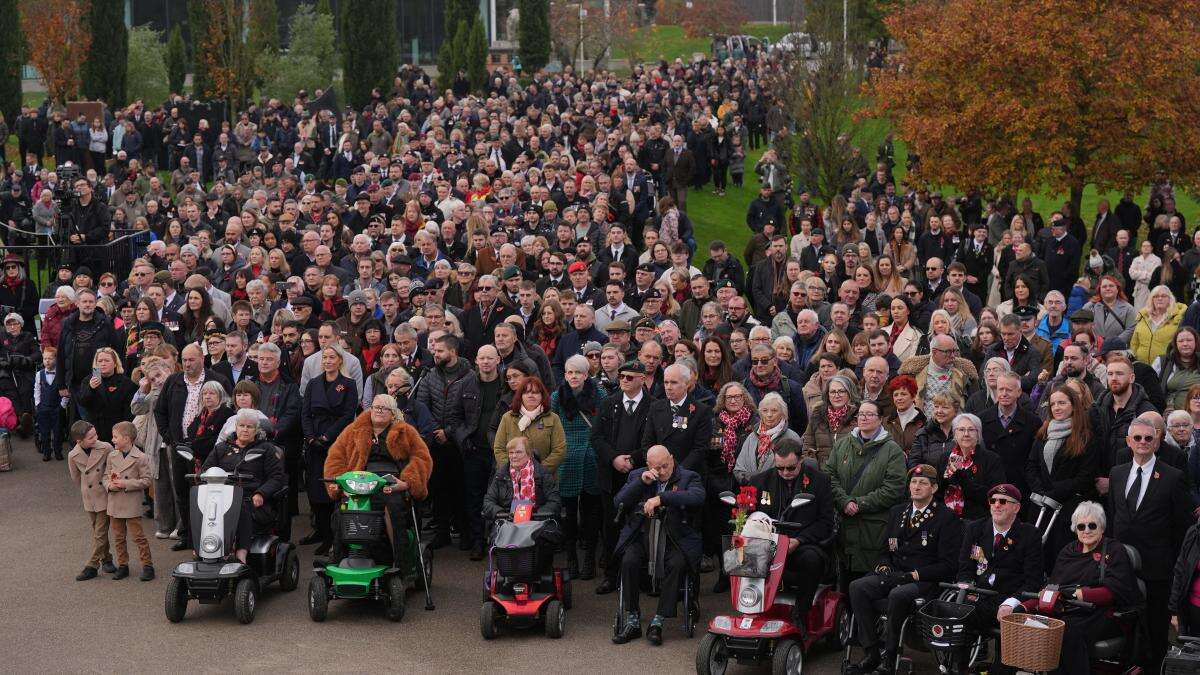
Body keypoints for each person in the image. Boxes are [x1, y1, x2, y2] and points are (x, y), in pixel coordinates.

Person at [847, 464, 963, 675]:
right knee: (857, 587)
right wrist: (883, 565)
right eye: (913, 482)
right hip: (894, 574)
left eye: (923, 483)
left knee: (898, 595)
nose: (916, 487)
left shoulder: (946, 518)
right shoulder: (898, 511)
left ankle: (890, 658)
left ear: (934, 488)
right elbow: (885, 550)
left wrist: (915, 575)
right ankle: (872, 652)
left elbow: (948, 565)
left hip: (923, 580)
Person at [1005, 501, 1142, 675]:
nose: (1086, 530)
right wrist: (1025, 606)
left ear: (1102, 527)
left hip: (1102, 613)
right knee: (1032, 623)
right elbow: (1052, 588)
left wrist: (1080, 594)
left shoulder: (1114, 550)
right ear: (1075, 528)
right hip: (1066, 611)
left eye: (1092, 525)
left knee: (1066, 631)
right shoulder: (1068, 551)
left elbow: (1115, 591)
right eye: (1081, 526)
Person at [1107, 417, 1193, 670]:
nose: (1143, 442)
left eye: (1149, 438)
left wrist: (1174, 565)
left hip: (1158, 569)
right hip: (1123, 568)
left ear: (1156, 442)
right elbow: (1114, 516)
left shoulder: (1172, 476)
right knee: (1126, 630)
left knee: (1156, 632)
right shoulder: (1117, 473)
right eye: (1138, 438)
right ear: (1128, 442)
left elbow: (1183, 527)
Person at [612, 445, 705, 646]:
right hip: (642, 534)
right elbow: (618, 501)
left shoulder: (689, 477)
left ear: (672, 458)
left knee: (678, 565)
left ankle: (659, 620)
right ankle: (633, 618)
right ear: (648, 465)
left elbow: (697, 497)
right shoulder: (638, 476)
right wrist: (641, 483)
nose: (662, 472)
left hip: (675, 537)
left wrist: (662, 498)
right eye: (657, 468)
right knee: (628, 560)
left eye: (665, 466)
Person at [324, 394, 433, 565]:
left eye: (385, 408)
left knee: (391, 507)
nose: (379, 411)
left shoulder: (406, 432)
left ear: (393, 413)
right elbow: (335, 458)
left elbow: (422, 458)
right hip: (358, 485)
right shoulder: (353, 430)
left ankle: (400, 563)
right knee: (342, 511)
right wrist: (340, 485)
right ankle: (340, 558)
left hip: (391, 485)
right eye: (376, 407)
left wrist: (406, 483)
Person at [745, 439, 836, 622]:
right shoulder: (759, 481)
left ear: (801, 460)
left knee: (811, 560)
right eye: (780, 468)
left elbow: (825, 522)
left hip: (803, 544)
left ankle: (800, 615)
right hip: (767, 544)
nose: (785, 473)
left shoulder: (820, 481)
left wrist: (799, 540)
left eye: (791, 468)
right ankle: (751, 609)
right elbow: (750, 516)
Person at [824, 400, 908, 587]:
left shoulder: (892, 450)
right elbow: (829, 476)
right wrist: (844, 501)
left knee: (867, 584)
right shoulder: (842, 445)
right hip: (844, 527)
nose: (864, 417)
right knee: (843, 582)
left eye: (870, 414)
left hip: (874, 529)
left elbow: (894, 488)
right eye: (861, 414)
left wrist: (859, 504)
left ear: (880, 420)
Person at [592, 360, 655, 595]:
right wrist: (614, 459)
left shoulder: (654, 406)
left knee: (642, 525)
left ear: (642, 379)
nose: (624, 381)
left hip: (641, 477)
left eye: (630, 377)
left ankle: (643, 577)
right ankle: (612, 574)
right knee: (611, 526)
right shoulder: (609, 403)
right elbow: (596, 437)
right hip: (612, 476)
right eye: (622, 377)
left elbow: (655, 440)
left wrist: (634, 460)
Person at [200, 411, 287, 563]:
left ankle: (241, 554)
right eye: (242, 426)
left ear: (256, 430)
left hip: (253, 499)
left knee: (239, 507)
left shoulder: (266, 449)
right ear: (236, 427)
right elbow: (205, 472)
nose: (245, 429)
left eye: (250, 427)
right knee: (199, 507)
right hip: (221, 496)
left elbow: (277, 478)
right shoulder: (221, 448)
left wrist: (261, 493)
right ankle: (200, 549)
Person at [301, 346, 359, 556]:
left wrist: (328, 436)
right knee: (316, 493)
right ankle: (324, 534)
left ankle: (336, 538)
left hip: (336, 441)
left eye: (331, 357)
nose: (327, 361)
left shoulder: (348, 384)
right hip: (314, 441)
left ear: (339, 360)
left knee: (333, 491)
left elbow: (348, 414)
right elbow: (305, 413)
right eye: (324, 357)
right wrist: (310, 437)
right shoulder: (314, 384)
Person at [550, 354, 601, 579]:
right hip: (566, 455)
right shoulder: (556, 396)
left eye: (578, 372)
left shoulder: (599, 393)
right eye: (570, 372)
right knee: (568, 512)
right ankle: (571, 557)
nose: (573, 376)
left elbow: (601, 425)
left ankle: (589, 557)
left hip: (591, 454)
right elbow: (553, 425)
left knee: (591, 512)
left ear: (586, 374)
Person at [102, 421, 154, 581]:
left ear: (126, 439)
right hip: (115, 502)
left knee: (138, 537)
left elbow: (146, 480)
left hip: (131, 502)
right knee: (118, 537)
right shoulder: (112, 456)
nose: (113, 440)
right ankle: (123, 565)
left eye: (115, 437)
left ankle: (147, 565)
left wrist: (126, 484)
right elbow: (105, 476)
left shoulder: (140, 457)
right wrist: (109, 485)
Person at [639, 362, 713, 476]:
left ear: (686, 384)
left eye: (673, 383)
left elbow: (700, 449)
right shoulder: (656, 407)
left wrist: (676, 472)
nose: (668, 387)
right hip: (658, 472)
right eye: (666, 382)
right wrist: (656, 467)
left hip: (687, 474)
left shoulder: (701, 411)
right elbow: (647, 442)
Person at [66, 420, 116, 580]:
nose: (95, 438)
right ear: (79, 441)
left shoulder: (106, 447)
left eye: (95, 435)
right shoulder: (73, 455)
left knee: (100, 532)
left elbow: (113, 467)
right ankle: (107, 559)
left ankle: (92, 566)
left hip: (104, 494)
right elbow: (76, 477)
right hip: (88, 496)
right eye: (90, 437)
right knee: (97, 530)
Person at [934, 413, 1005, 521]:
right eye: (961, 429)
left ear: (978, 434)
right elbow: (936, 494)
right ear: (955, 434)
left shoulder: (991, 459)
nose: (966, 434)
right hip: (946, 520)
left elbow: (995, 497)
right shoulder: (945, 458)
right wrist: (944, 481)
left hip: (978, 521)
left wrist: (964, 481)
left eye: (971, 430)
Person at [493, 378, 567, 473]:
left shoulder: (553, 418)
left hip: (544, 479)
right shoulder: (507, 418)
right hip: (512, 479)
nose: (531, 395)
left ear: (542, 396)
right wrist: (511, 468)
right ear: (520, 396)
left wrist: (538, 470)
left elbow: (560, 450)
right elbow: (499, 448)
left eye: (535, 392)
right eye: (526, 392)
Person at [732, 392, 801, 483]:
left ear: (783, 413)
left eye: (774, 410)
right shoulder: (752, 437)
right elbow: (738, 470)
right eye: (765, 411)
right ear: (760, 413)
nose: (769, 415)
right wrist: (753, 481)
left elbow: (792, 471)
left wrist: (760, 481)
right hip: (750, 491)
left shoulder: (792, 437)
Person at [802, 373, 860, 465]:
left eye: (841, 391)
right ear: (827, 395)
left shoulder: (859, 415)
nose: (837, 395)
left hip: (850, 471)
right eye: (833, 392)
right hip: (822, 471)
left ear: (849, 393)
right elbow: (808, 446)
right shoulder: (817, 414)